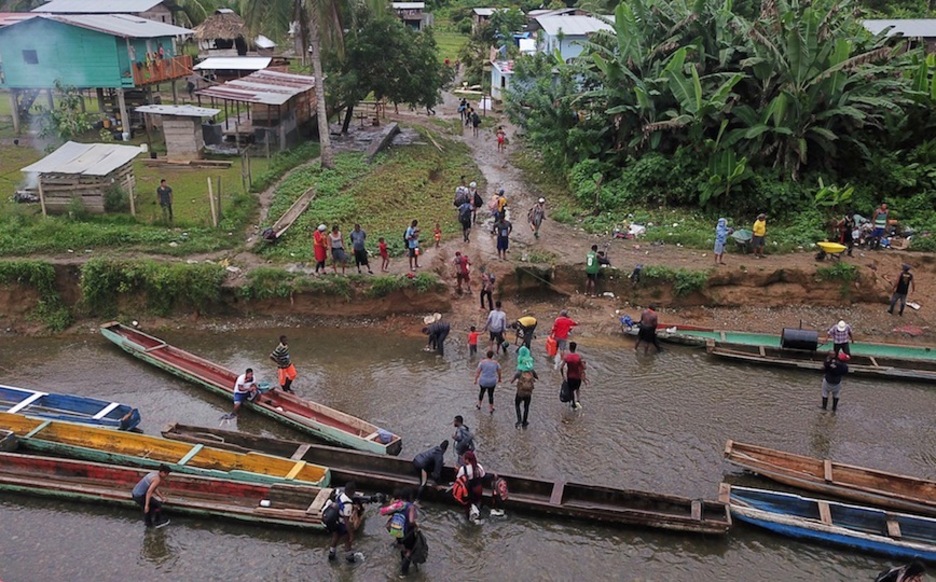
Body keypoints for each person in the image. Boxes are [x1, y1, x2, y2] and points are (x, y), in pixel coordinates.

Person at [379, 488, 421, 576]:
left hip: (397, 531)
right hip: (408, 532)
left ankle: (402, 565)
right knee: (409, 551)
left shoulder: (398, 505)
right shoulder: (411, 506)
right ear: (410, 497)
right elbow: (411, 521)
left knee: (403, 548)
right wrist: (417, 526)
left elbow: (382, 512)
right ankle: (403, 573)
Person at [326, 482, 358, 563]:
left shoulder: (340, 496)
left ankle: (331, 553)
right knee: (347, 541)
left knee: (335, 537)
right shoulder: (348, 504)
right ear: (352, 491)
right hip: (342, 524)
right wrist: (351, 534)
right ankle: (349, 557)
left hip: (336, 521)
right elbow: (347, 520)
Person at [131, 463, 171, 528]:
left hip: (135, 493)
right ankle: (156, 522)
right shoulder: (157, 479)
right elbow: (149, 492)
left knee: (152, 507)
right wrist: (146, 505)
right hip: (139, 496)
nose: (167, 476)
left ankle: (150, 524)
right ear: (162, 472)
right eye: (166, 474)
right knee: (155, 506)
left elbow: (154, 488)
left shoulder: (153, 474)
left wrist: (162, 497)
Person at [455, 451, 486, 522]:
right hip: (479, 489)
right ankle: (478, 514)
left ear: (467, 460)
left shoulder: (463, 469)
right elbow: (483, 475)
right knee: (478, 502)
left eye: (464, 458)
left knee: (468, 505)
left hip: (469, 490)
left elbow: (458, 478)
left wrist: (457, 470)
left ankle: (469, 519)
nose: (463, 459)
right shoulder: (479, 467)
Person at [560, 342, 587, 409]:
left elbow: (561, 367)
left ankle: (573, 402)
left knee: (571, 390)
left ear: (569, 348)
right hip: (577, 377)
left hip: (570, 377)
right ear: (575, 348)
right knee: (577, 389)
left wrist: (563, 376)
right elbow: (584, 367)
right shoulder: (578, 357)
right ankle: (578, 400)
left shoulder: (567, 357)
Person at [475, 349, 501, 414]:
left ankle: (479, 405)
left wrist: (475, 380)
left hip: (483, 380)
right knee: (491, 395)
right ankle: (490, 408)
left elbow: (478, 372)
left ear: (486, 355)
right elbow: (499, 371)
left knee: (482, 392)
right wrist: (500, 378)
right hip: (492, 381)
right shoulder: (496, 363)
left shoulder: (482, 362)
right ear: (492, 356)